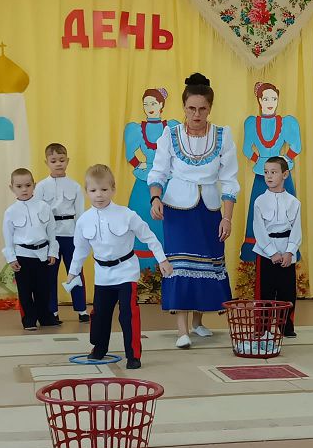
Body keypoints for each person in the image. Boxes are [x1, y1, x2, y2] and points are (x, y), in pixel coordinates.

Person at [148, 72, 240, 349]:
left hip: (210, 210)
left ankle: (198, 322)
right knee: (180, 265)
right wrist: (155, 198)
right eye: (191, 108)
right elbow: (158, 171)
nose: (196, 114)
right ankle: (182, 330)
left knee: (209, 263)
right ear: (184, 107)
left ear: (210, 108)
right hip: (177, 209)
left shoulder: (223, 135)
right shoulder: (170, 134)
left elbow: (229, 179)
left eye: (202, 109)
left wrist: (227, 217)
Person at [66, 165, 173, 370]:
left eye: (104, 189)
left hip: (126, 272)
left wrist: (162, 260)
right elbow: (80, 250)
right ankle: (99, 349)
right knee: (100, 314)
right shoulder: (83, 221)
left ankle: (133, 355)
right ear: (86, 191)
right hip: (102, 275)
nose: (99, 195)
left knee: (128, 314)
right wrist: (72, 273)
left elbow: (149, 237)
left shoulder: (127, 215)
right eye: (93, 190)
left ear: (113, 189)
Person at [240, 82, 302, 262]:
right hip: (262, 174)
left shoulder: (287, 122)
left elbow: (296, 146)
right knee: (258, 213)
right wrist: (260, 162)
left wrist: (284, 160)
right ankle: (256, 253)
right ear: (259, 100)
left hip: (282, 173)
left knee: (289, 212)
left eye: (274, 98)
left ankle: (290, 251)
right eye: (266, 98)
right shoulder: (252, 123)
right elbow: (246, 148)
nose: (270, 102)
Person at [123, 88, 179, 271]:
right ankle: (144, 271)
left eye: (153, 103)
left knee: (167, 223)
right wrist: (139, 164)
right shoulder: (136, 129)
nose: (149, 107)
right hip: (143, 181)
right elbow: (130, 154)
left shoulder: (172, 126)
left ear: (161, 104)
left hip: (167, 181)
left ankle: (168, 265)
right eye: (146, 104)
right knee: (142, 218)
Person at [33, 143, 88, 322]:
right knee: (50, 274)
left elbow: (80, 213)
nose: (58, 164)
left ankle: (81, 310)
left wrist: (81, 237)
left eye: (62, 160)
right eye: (53, 160)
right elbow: (38, 213)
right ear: (46, 162)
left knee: (75, 271)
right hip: (51, 236)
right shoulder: (41, 187)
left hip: (71, 234)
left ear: (67, 161)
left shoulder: (75, 186)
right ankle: (52, 311)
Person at [1, 168, 62, 331]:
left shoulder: (44, 207)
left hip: (42, 255)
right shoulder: (11, 212)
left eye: (28, 185)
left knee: (43, 289)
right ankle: (29, 319)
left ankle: (45, 317)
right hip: (23, 256)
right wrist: (11, 258)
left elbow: (52, 232)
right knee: (25, 291)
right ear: (12, 188)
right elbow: (8, 237)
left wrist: (52, 252)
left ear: (34, 185)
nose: (24, 189)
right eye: (19, 186)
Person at [252, 156, 301, 337]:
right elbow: (259, 229)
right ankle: (262, 327)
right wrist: (271, 252)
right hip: (266, 253)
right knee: (265, 292)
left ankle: (286, 326)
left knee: (287, 291)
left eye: (273, 172)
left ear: (285, 174)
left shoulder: (294, 202)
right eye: (266, 172)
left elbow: (296, 230)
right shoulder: (259, 201)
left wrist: (289, 252)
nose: (269, 176)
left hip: (286, 252)